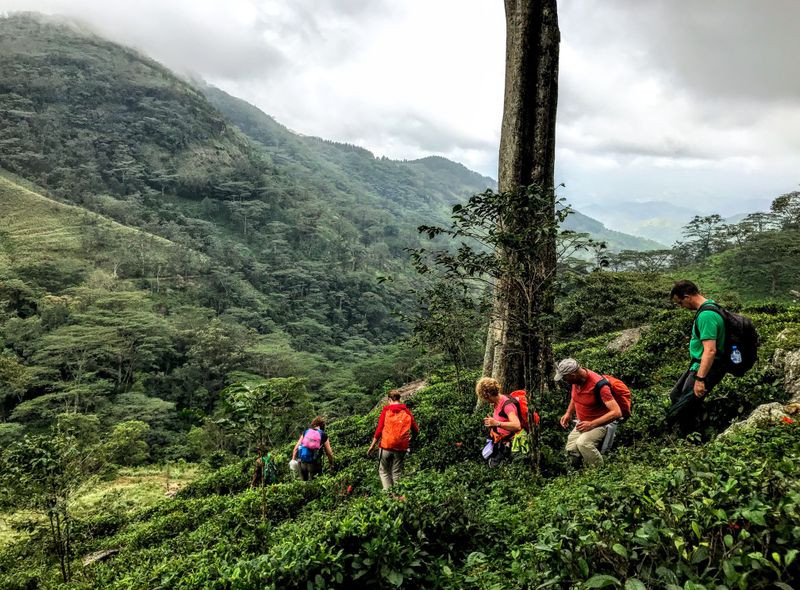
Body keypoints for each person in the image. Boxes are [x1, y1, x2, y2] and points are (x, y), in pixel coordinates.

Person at [667, 280, 727, 436]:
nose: (681, 307)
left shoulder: (706, 315)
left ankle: (694, 440)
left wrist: (700, 379)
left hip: (706, 367)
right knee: (676, 396)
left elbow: (710, 350)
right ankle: (695, 430)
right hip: (696, 364)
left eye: (680, 303)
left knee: (686, 405)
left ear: (687, 297)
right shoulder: (709, 307)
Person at [557, 358, 622, 467]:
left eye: (565, 377)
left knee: (583, 443)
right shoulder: (576, 381)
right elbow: (576, 397)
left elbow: (616, 412)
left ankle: (600, 473)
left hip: (600, 424)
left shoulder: (600, 386)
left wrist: (591, 424)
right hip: (582, 422)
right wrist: (568, 413)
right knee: (571, 449)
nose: (564, 380)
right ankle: (579, 475)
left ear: (573, 375)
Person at [367, 390, 419, 490]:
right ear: (399, 399)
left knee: (384, 471)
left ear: (389, 399)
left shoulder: (386, 411)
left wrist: (372, 446)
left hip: (386, 446)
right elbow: (415, 430)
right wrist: (411, 440)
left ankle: (389, 496)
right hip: (401, 448)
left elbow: (379, 430)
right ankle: (398, 497)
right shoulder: (406, 411)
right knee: (397, 472)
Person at [476, 377, 521, 467]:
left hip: (509, 442)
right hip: (499, 438)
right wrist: (492, 423)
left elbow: (517, 425)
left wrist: (496, 423)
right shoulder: (496, 402)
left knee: (494, 466)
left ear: (488, 395)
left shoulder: (507, 405)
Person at [292, 416, 334, 481]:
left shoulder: (306, 432)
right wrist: (331, 464)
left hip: (301, 462)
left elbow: (296, 448)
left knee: (303, 484)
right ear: (322, 426)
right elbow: (329, 453)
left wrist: (293, 460)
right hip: (314, 464)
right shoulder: (323, 435)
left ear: (314, 424)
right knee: (316, 483)